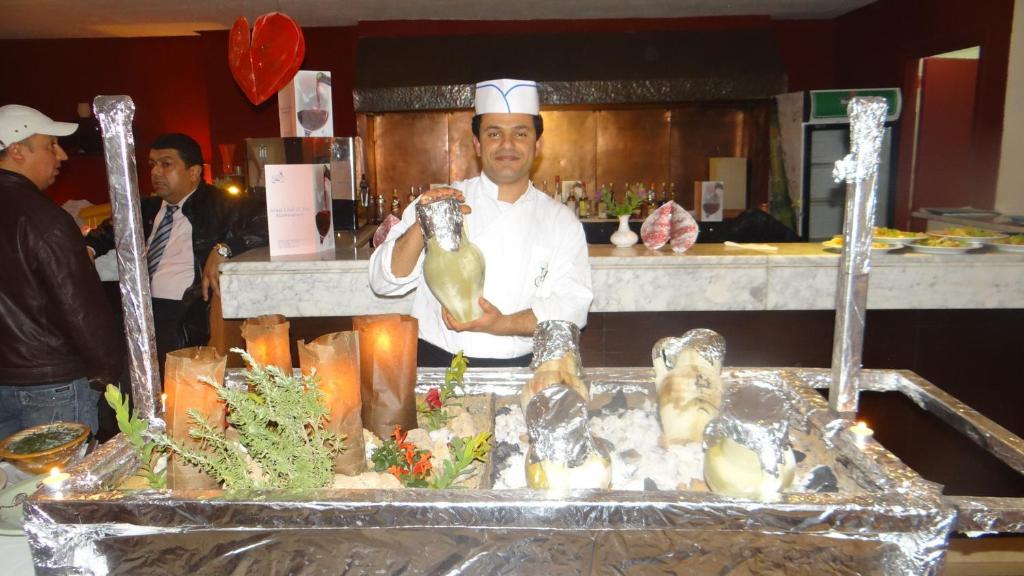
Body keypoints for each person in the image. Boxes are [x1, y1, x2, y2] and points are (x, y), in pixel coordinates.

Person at [369, 79, 593, 367]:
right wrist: (421, 225)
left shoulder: (561, 221)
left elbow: (573, 308)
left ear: (537, 145)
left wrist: (501, 324)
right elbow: (383, 282)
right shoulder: (441, 201)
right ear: (477, 144)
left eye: (520, 133)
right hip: (438, 365)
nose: (507, 144)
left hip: (521, 369)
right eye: (494, 133)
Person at [86, 133, 268, 369]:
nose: (155, 172)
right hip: (137, 310)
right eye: (152, 164)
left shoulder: (221, 204)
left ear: (194, 172)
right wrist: (88, 248)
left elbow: (268, 221)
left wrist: (224, 249)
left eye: (166, 164)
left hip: (184, 313)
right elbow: (107, 231)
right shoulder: (146, 208)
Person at [0, 104, 122, 438]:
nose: (62, 156)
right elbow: (79, 306)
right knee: (64, 471)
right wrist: (108, 372)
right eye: (51, 145)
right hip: (51, 382)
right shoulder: (44, 219)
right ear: (17, 151)